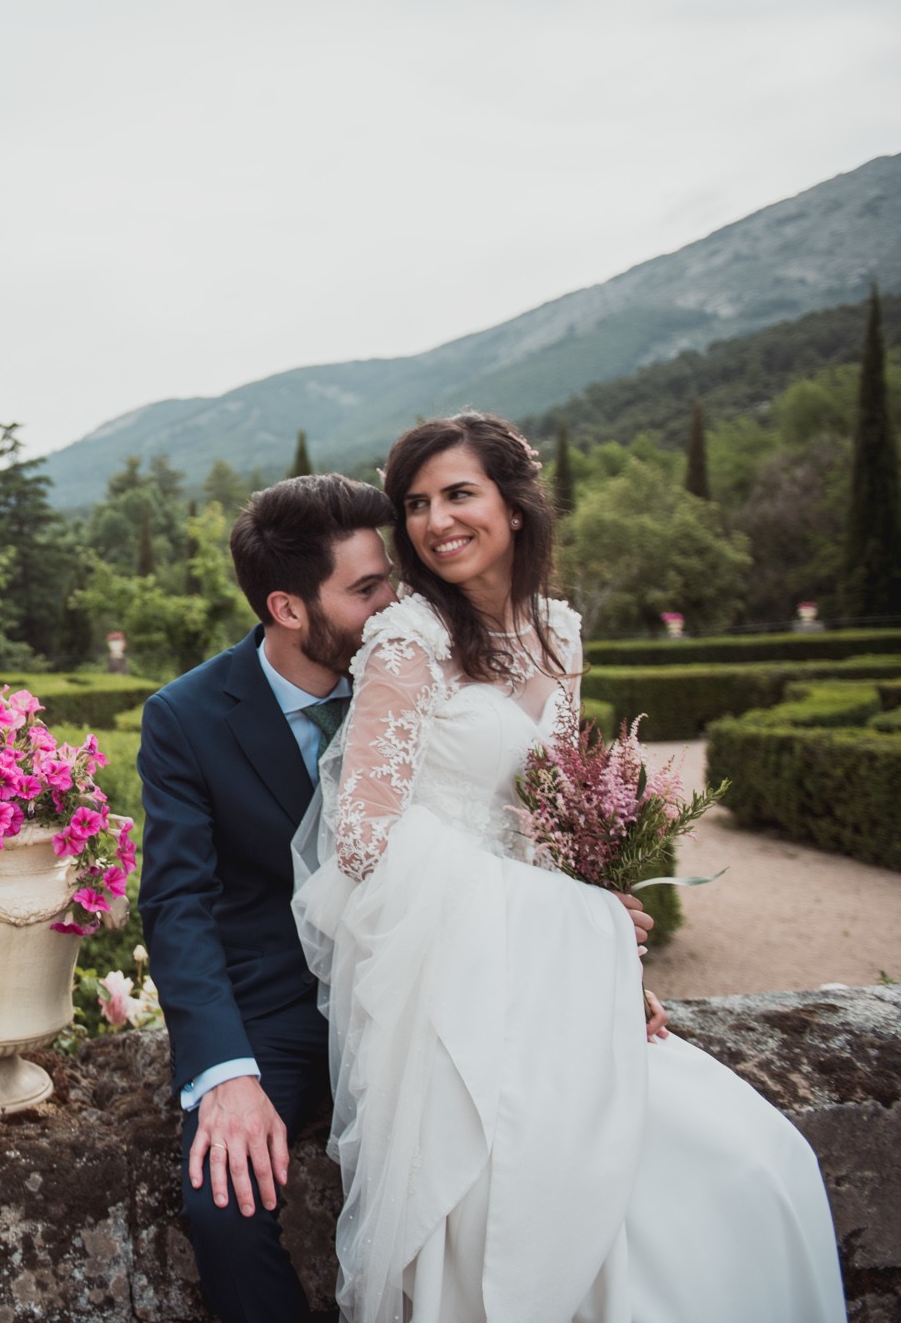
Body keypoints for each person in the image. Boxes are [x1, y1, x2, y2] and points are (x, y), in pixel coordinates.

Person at [291, 412, 846, 1321]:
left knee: (753, 1160)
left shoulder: (559, 633)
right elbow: (364, 840)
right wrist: (568, 920)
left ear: (514, 504)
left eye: (458, 493)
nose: (436, 520)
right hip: (446, 981)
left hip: (552, 963)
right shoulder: (407, 640)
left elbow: (549, 822)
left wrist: (608, 959)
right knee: (527, 1198)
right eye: (418, 503)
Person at [136, 473, 661, 1322]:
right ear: (289, 607)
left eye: (392, 578)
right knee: (221, 1205)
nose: (393, 604)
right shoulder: (186, 717)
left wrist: (595, 949)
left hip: (456, 975)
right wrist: (223, 1075)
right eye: (367, 589)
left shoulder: (437, 659)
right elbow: (178, 904)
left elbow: (526, 824)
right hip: (285, 1004)